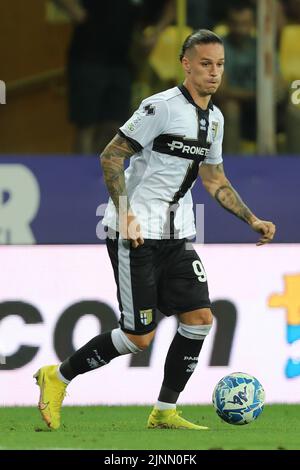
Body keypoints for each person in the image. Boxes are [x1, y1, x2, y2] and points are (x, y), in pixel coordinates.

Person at [34, 29, 276, 431]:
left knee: (199, 317)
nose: (214, 72)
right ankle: (57, 377)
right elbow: (111, 156)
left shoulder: (214, 120)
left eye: (219, 65)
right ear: (186, 63)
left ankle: (164, 410)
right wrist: (125, 212)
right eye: (205, 64)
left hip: (178, 235)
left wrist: (251, 219)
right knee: (137, 338)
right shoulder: (160, 108)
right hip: (136, 235)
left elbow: (214, 179)